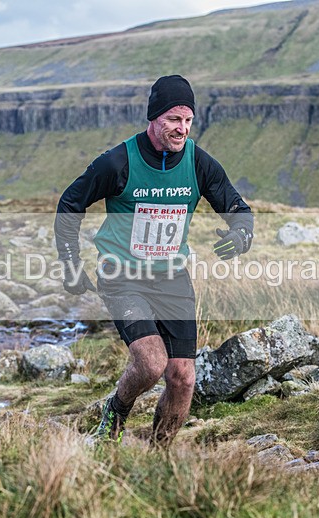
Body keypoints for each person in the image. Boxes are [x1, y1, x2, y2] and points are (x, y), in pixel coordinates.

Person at [54, 75, 254, 447]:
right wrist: (70, 262)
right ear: (154, 118)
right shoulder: (118, 162)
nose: (182, 129)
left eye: (188, 120)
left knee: (183, 378)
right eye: (174, 120)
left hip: (171, 276)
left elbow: (238, 208)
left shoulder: (197, 163)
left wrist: (241, 234)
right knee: (150, 363)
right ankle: (116, 409)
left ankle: (158, 455)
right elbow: (70, 203)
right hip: (122, 275)